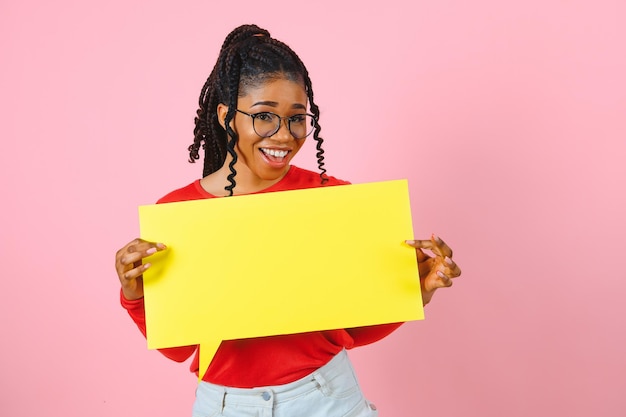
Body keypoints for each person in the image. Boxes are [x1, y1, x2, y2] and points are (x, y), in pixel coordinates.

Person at [115, 24, 461, 417]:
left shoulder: (333, 201)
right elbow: (178, 348)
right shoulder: (178, 214)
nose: (284, 135)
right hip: (226, 405)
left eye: (297, 118)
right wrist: (136, 295)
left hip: (327, 396)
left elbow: (349, 331)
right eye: (265, 116)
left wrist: (416, 289)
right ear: (227, 116)